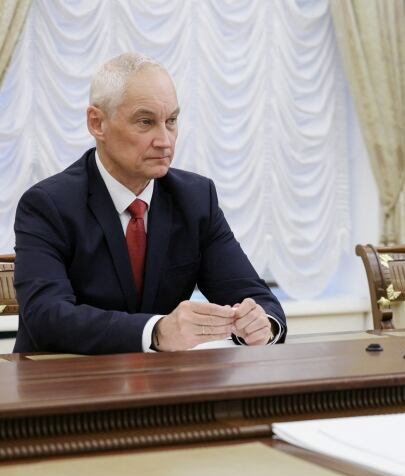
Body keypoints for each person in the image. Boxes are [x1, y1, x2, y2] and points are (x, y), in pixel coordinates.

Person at [13, 52, 286, 354]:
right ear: (97, 122)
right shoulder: (47, 205)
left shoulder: (195, 199)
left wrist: (261, 324)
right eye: (146, 122)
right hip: (61, 385)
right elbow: (46, 317)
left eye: (171, 121)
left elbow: (253, 295)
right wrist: (155, 332)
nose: (165, 141)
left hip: (160, 387)